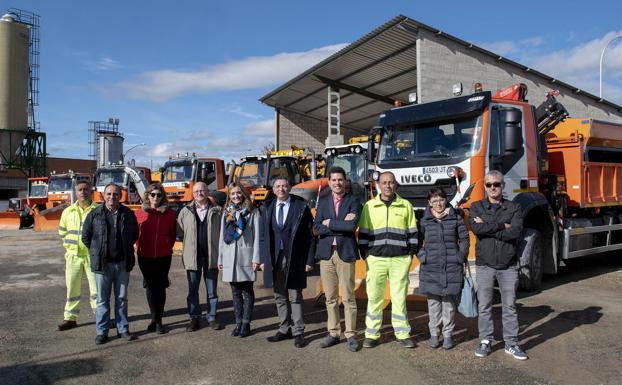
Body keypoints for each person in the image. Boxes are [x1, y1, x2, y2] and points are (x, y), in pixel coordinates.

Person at [469, 170, 528, 360]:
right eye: (489, 185)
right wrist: (503, 226)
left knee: (509, 306)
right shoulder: (477, 206)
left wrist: (489, 226)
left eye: (496, 184)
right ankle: (485, 340)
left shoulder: (514, 207)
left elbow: (516, 232)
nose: (493, 187)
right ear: (485, 187)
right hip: (485, 264)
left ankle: (511, 343)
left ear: (503, 185)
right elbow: (476, 228)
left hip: (508, 265)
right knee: (485, 305)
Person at [358, 171, 418, 348]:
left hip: (400, 259)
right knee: (374, 298)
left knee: (399, 298)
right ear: (379, 185)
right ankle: (371, 334)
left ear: (395, 184)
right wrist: (366, 253)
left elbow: (413, 232)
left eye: (391, 182)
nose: (387, 186)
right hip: (376, 259)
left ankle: (402, 333)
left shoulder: (405, 205)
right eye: (384, 182)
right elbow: (363, 233)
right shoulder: (369, 206)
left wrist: (410, 253)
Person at [259, 176, 315, 348]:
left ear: (290, 187)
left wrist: (309, 259)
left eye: (284, 185)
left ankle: (299, 331)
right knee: (279, 295)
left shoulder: (301, 207)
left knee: (295, 295)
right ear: (273, 189)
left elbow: (310, 236)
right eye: (278, 186)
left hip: (295, 257)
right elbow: (262, 237)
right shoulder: (267, 208)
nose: (281, 189)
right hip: (274, 257)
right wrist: (263, 259)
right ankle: (284, 329)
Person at [82, 183, 139, 345]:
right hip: (103, 264)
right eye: (108, 194)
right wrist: (97, 251)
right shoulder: (95, 214)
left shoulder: (127, 214)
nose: (111, 197)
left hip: (122, 263)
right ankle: (102, 331)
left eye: (115, 194)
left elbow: (134, 234)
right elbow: (86, 237)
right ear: (103, 196)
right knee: (102, 300)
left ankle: (123, 329)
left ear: (120, 196)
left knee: (121, 298)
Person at [313, 167, 361, 352]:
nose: (337, 183)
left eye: (340, 180)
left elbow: (351, 227)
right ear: (329, 182)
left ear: (345, 181)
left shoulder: (353, 201)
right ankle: (333, 332)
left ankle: (350, 334)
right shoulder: (323, 202)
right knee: (330, 297)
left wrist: (330, 223)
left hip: (345, 253)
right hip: (326, 254)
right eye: (334, 180)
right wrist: (339, 225)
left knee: (348, 297)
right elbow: (316, 228)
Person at [418, 187, 469, 349]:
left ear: (445, 200)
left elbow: (464, 239)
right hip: (430, 267)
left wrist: (460, 256)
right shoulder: (424, 220)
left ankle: (447, 335)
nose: (438, 203)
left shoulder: (455, 218)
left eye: (441, 200)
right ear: (429, 203)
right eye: (434, 201)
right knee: (433, 304)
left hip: (451, 266)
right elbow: (416, 240)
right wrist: (422, 256)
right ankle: (434, 333)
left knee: (448, 304)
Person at [177, 181, 223, 332]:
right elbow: (180, 232)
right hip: (192, 258)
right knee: (192, 291)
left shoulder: (217, 211)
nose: (199, 193)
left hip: (211, 257)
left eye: (202, 190)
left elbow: (222, 233)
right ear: (192, 193)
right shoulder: (185, 211)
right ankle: (194, 318)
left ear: (207, 192)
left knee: (212, 291)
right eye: (196, 191)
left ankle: (212, 317)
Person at [217, 183, 260, 338]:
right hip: (229, 256)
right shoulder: (226, 213)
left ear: (244, 194)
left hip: (245, 256)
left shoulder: (252, 212)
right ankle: (238, 323)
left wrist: (256, 258)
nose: (236, 196)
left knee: (247, 291)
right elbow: (223, 237)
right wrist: (220, 258)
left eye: (238, 193)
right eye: (233, 194)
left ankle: (246, 323)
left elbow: (257, 238)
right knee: (235, 291)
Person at [135, 183, 177, 334]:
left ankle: (159, 320)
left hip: (163, 256)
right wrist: (137, 245)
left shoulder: (170, 214)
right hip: (144, 256)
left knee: (160, 287)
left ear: (162, 196)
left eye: (159, 195)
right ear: (147, 196)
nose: (156, 197)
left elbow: (172, 235)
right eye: (152, 194)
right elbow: (136, 233)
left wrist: (166, 246)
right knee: (150, 286)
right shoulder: (140, 213)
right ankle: (153, 318)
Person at [57, 180, 98, 331]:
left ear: (91, 191)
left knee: (96, 289)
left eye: (86, 189)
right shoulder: (67, 212)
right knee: (72, 289)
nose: (83, 192)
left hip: (91, 256)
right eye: (80, 189)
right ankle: (70, 318)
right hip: (73, 257)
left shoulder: (97, 210)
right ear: (75, 191)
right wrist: (69, 249)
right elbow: (62, 232)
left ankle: (100, 316)